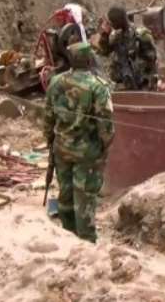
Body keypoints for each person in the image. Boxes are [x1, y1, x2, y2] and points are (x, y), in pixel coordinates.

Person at [43, 42, 113, 243]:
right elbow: (106, 126)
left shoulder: (55, 82)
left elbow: (48, 118)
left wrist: (50, 141)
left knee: (65, 193)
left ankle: (68, 237)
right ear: (89, 60)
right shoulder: (98, 87)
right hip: (87, 152)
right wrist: (104, 147)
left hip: (61, 148)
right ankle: (86, 241)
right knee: (84, 198)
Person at [96, 5, 158, 91]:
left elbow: (152, 58)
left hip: (142, 83)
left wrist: (135, 61)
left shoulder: (141, 34)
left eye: (112, 22)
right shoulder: (117, 35)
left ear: (120, 20)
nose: (112, 25)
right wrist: (105, 35)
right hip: (124, 83)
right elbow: (104, 52)